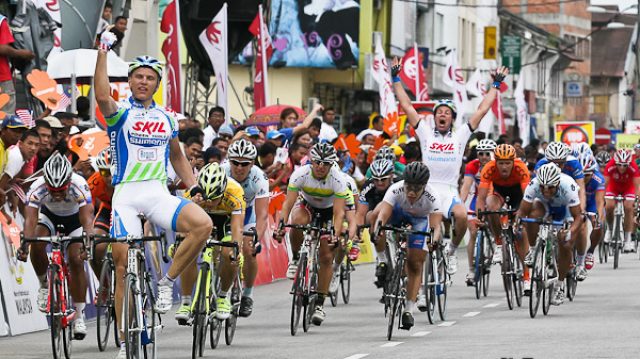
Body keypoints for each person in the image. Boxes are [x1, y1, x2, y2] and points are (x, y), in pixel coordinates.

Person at [95, 33, 212, 358]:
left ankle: (165, 283)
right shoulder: (120, 114)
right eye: (138, 77)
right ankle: (123, 341)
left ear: (156, 84)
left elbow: (177, 156)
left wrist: (194, 186)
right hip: (126, 198)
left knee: (202, 225)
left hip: (157, 193)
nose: (144, 82)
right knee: (122, 266)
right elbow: (102, 95)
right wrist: (103, 51)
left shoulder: (167, 118)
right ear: (130, 82)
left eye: (150, 78)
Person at [391, 57, 510, 275]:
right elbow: (406, 105)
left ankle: (452, 250)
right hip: (429, 189)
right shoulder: (425, 132)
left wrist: (496, 85)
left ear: (452, 118)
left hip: (449, 189)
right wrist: (395, 78)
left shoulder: (460, 135)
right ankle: (429, 274)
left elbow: (482, 109)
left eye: (447, 112)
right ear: (434, 118)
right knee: (434, 230)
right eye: (439, 112)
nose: (442, 115)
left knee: (462, 215)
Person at [17, 154, 94, 339]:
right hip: (49, 217)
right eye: (53, 190)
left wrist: (88, 241)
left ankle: (79, 314)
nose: (58, 194)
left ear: (69, 181)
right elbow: (30, 219)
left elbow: (87, 218)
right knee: (36, 242)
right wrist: (25, 243)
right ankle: (44, 285)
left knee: (76, 260)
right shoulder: (37, 187)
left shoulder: (79, 183)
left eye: (61, 190)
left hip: (75, 220)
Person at [274, 142, 350, 326]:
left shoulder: (338, 179)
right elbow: (288, 205)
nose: (321, 166)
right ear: (311, 161)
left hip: (329, 212)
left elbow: (339, 213)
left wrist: (335, 232)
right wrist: (281, 226)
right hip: (307, 206)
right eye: (317, 162)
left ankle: (319, 304)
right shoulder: (300, 174)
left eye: (326, 163)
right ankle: (295, 259)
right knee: (297, 222)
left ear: (332, 164)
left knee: (325, 256)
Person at [372, 162, 443, 329]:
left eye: (416, 189)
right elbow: (383, 214)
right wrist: (378, 230)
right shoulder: (395, 189)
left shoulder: (433, 196)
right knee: (375, 217)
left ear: (424, 187)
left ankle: (409, 309)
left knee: (415, 263)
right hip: (399, 213)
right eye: (408, 187)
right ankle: (383, 261)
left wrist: (432, 240)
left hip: (420, 220)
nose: (411, 192)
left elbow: (435, 226)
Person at [518, 163, 583, 306]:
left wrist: (570, 231)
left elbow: (578, 217)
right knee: (533, 214)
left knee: (565, 243)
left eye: (550, 188)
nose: (546, 191)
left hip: (564, 209)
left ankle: (558, 286)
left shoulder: (568, 186)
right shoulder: (533, 184)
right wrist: (518, 223)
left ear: (558, 183)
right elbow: (522, 212)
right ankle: (534, 250)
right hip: (544, 206)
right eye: (542, 187)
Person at [191, 162, 246, 321]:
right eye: (206, 198)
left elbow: (237, 228)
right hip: (205, 219)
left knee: (229, 253)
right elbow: (185, 225)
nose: (208, 202)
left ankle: (223, 295)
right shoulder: (193, 193)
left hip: (227, 220)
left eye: (213, 198)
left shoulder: (235, 192)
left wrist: (236, 250)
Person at [221, 139, 269, 317]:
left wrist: (257, 237)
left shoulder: (259, 177)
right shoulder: (221, 171)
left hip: (248, 213)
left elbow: (263, 214)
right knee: (222, 249)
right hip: (224, 212)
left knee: (249, 250)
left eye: (244, 164)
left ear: (253, 163)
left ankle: (247, 295)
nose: (239, 168)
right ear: (228, 160)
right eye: (235, 162)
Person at [475, 144, 531, 288]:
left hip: (518, 194)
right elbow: (481, 198)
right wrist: (479, 216)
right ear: (495, 162)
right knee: (491, 207)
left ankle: (526, 276)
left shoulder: (521, 168)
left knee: (521, 231)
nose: (504, 167)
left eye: (507, 163)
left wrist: (521, 213)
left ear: (514, 161)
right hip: (499, 192)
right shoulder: (489, 168)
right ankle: (499, 243)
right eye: (501, 163)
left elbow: (527, 197)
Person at [459, 139, 496, 285]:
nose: (484, 157)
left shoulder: (498, 165)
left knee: (495, 226)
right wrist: (460, 204)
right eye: (481, 154)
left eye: (487, 154)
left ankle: (495, 243)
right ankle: (471, 270)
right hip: (477, 199)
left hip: (494, 197)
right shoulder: (472, 165)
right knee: (473, 231)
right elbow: (466, 186)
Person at [356, 159, 395, 288]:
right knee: (371, 216)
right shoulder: (368, 187)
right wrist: (359, 232)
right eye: (376, 179)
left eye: (383, 179)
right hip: (375, 212)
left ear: (391, 176)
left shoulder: (399, 184)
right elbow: (360, 214)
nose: (379, 182)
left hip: (396, 211)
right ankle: (382, 259)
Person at [603, 149, 640, 252]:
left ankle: (628, 239)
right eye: (619, 165)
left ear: (629, 163)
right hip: (613, 187)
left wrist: (637, 200)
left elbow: (637, 186)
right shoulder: (610, 165)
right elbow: (604, 184)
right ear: (615, 162)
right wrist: (602, 198)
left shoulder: (633, 167)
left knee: (629, 208)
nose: (622, 167)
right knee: (609, 206)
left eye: (625, 165)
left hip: (628, 188)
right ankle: (610, 230)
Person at [0, 15, 34, 114]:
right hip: (2, 77)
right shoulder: (1, 20)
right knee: (5, 117)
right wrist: (20, 53)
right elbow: (2, 48)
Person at [0, 129, 39, 212]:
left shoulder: (20, 156)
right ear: (20, 144)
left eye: (37, 145)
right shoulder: (17, 157)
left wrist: (13, 181)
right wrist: (5, 215)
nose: (33, 148)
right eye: (30, 143)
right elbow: (0, 188)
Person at [580, 154, 605, 273]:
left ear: (593, 173)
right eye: (582, 175)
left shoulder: (598, 179)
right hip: (577, 202)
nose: (584, 178)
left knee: (598, 225)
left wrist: (599, 217)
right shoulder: (573, 177)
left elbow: (600, 202)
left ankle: (590, 252)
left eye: (588, 175)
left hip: (592, 203)